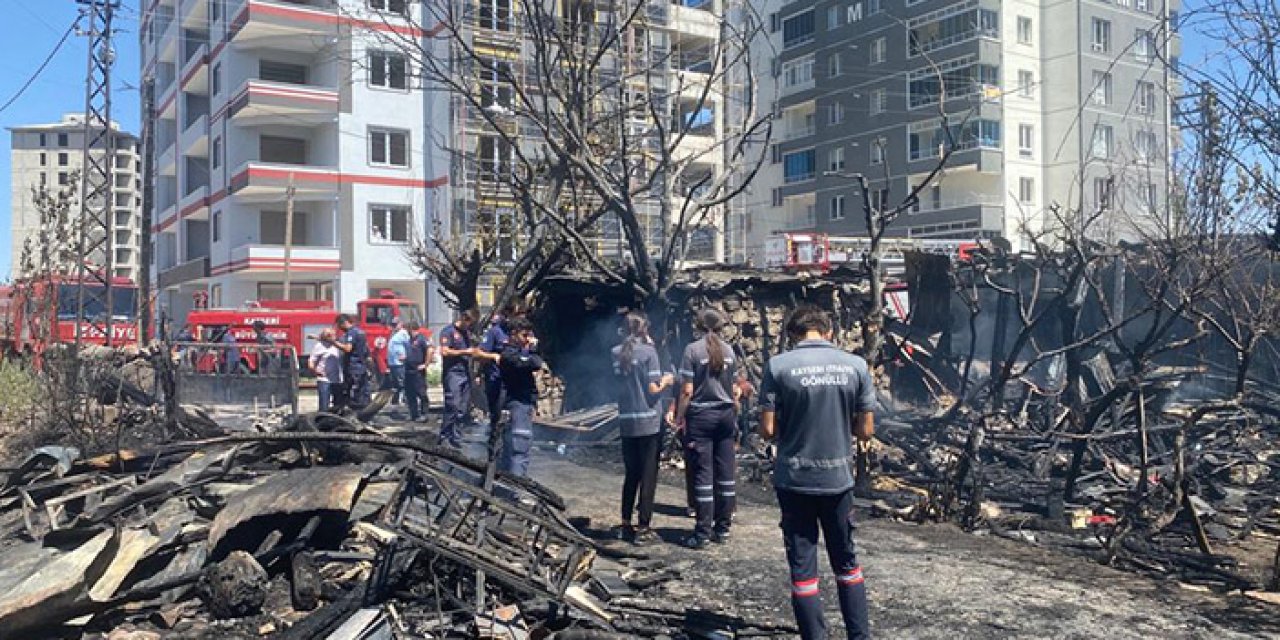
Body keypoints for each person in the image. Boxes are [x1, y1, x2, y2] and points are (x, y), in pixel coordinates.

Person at [759, 306, 876, 640]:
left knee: (803, 567)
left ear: (794, 334)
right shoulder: (856, 366)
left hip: (794, 479)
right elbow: (866, 430)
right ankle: (859, 635)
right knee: (847, 563)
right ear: (828, 332)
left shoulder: (778, 366)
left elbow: (767, 430)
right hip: (838, 480)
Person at [674, 309, 741, 549]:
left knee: (703, 473)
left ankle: (702, 532)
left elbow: (687, 390)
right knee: (726, 472)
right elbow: (735, 390)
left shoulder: (692, 350)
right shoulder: (730, 351)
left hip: (701, 416)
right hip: (725, 416)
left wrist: (679, 418)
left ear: (698, 327)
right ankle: (722, 528)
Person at [612, 312, 674, 545]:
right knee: (648, 476)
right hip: (649, 421)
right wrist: (668, 380)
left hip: (627, 420)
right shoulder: (649, 353)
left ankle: (626, 522)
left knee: (631, 474)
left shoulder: (616, 353)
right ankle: (644, 526)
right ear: (643, 330)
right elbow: (653, 389)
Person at [498, 317, 543, 476]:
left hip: (522, 403)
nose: (527, 339)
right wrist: (529, 350)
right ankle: (514, 491)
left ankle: (505, 489)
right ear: (513, 334)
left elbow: (537, 361)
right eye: (524, 335)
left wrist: (531, 351)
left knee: (512, 449)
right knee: (518, 449)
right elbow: (530, 363)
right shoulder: (508, 354)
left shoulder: (520, 353)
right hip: (517, 403)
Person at [438, 309, 479, 448]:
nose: (469, 326)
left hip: (465, 372)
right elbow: (444, 351)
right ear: (463, 318)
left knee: (462, 407)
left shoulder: (466, 334)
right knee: (453, 405)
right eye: (469, 323)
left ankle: (456, 435)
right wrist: (464, 352)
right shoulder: (448, 331)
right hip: (453, 373)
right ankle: (444, 435)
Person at [335, 314, 371, 414]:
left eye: (339, 325)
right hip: (361, 367)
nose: (339, 328)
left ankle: (357, 414)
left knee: (353, 393)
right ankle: (364, 411)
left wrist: (332, 342)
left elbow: (347, 348)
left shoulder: (352, 333)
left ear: (344, 323)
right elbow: (367, 352)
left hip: (353, 367)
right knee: (362, 392)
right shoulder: (361, 332)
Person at [403, 321, 433, 422]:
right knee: (410, 393)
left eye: (408, 330)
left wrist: (426, 364)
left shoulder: (421, 339)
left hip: (418, 370)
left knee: (421, 393)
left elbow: (430, 350)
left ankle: (424, 413)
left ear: (412, 329)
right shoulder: (410, 340)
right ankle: (414, 414)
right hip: (408, 369)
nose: (407, 332)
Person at [309, 328, 343, 412]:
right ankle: (322, 421)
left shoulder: (339, 345)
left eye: (333, 334)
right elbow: (311, 361)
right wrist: (315, 371)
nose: (332, 336)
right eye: (329, 335)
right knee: (324, 406)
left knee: (338, 406)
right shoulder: (319, 346)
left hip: (338, 380)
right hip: (324, 379)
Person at [386, 319, 410, 405]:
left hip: (399, 363)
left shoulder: (403, 333)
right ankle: (396, 399)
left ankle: (405, 399)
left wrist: (406, 356)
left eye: (396, 324)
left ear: (400, 324)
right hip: (393, 362)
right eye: (393, 324)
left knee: (401, 381)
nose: (394, 326)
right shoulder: (393, 333)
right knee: (395, 382)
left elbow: (408, 345)